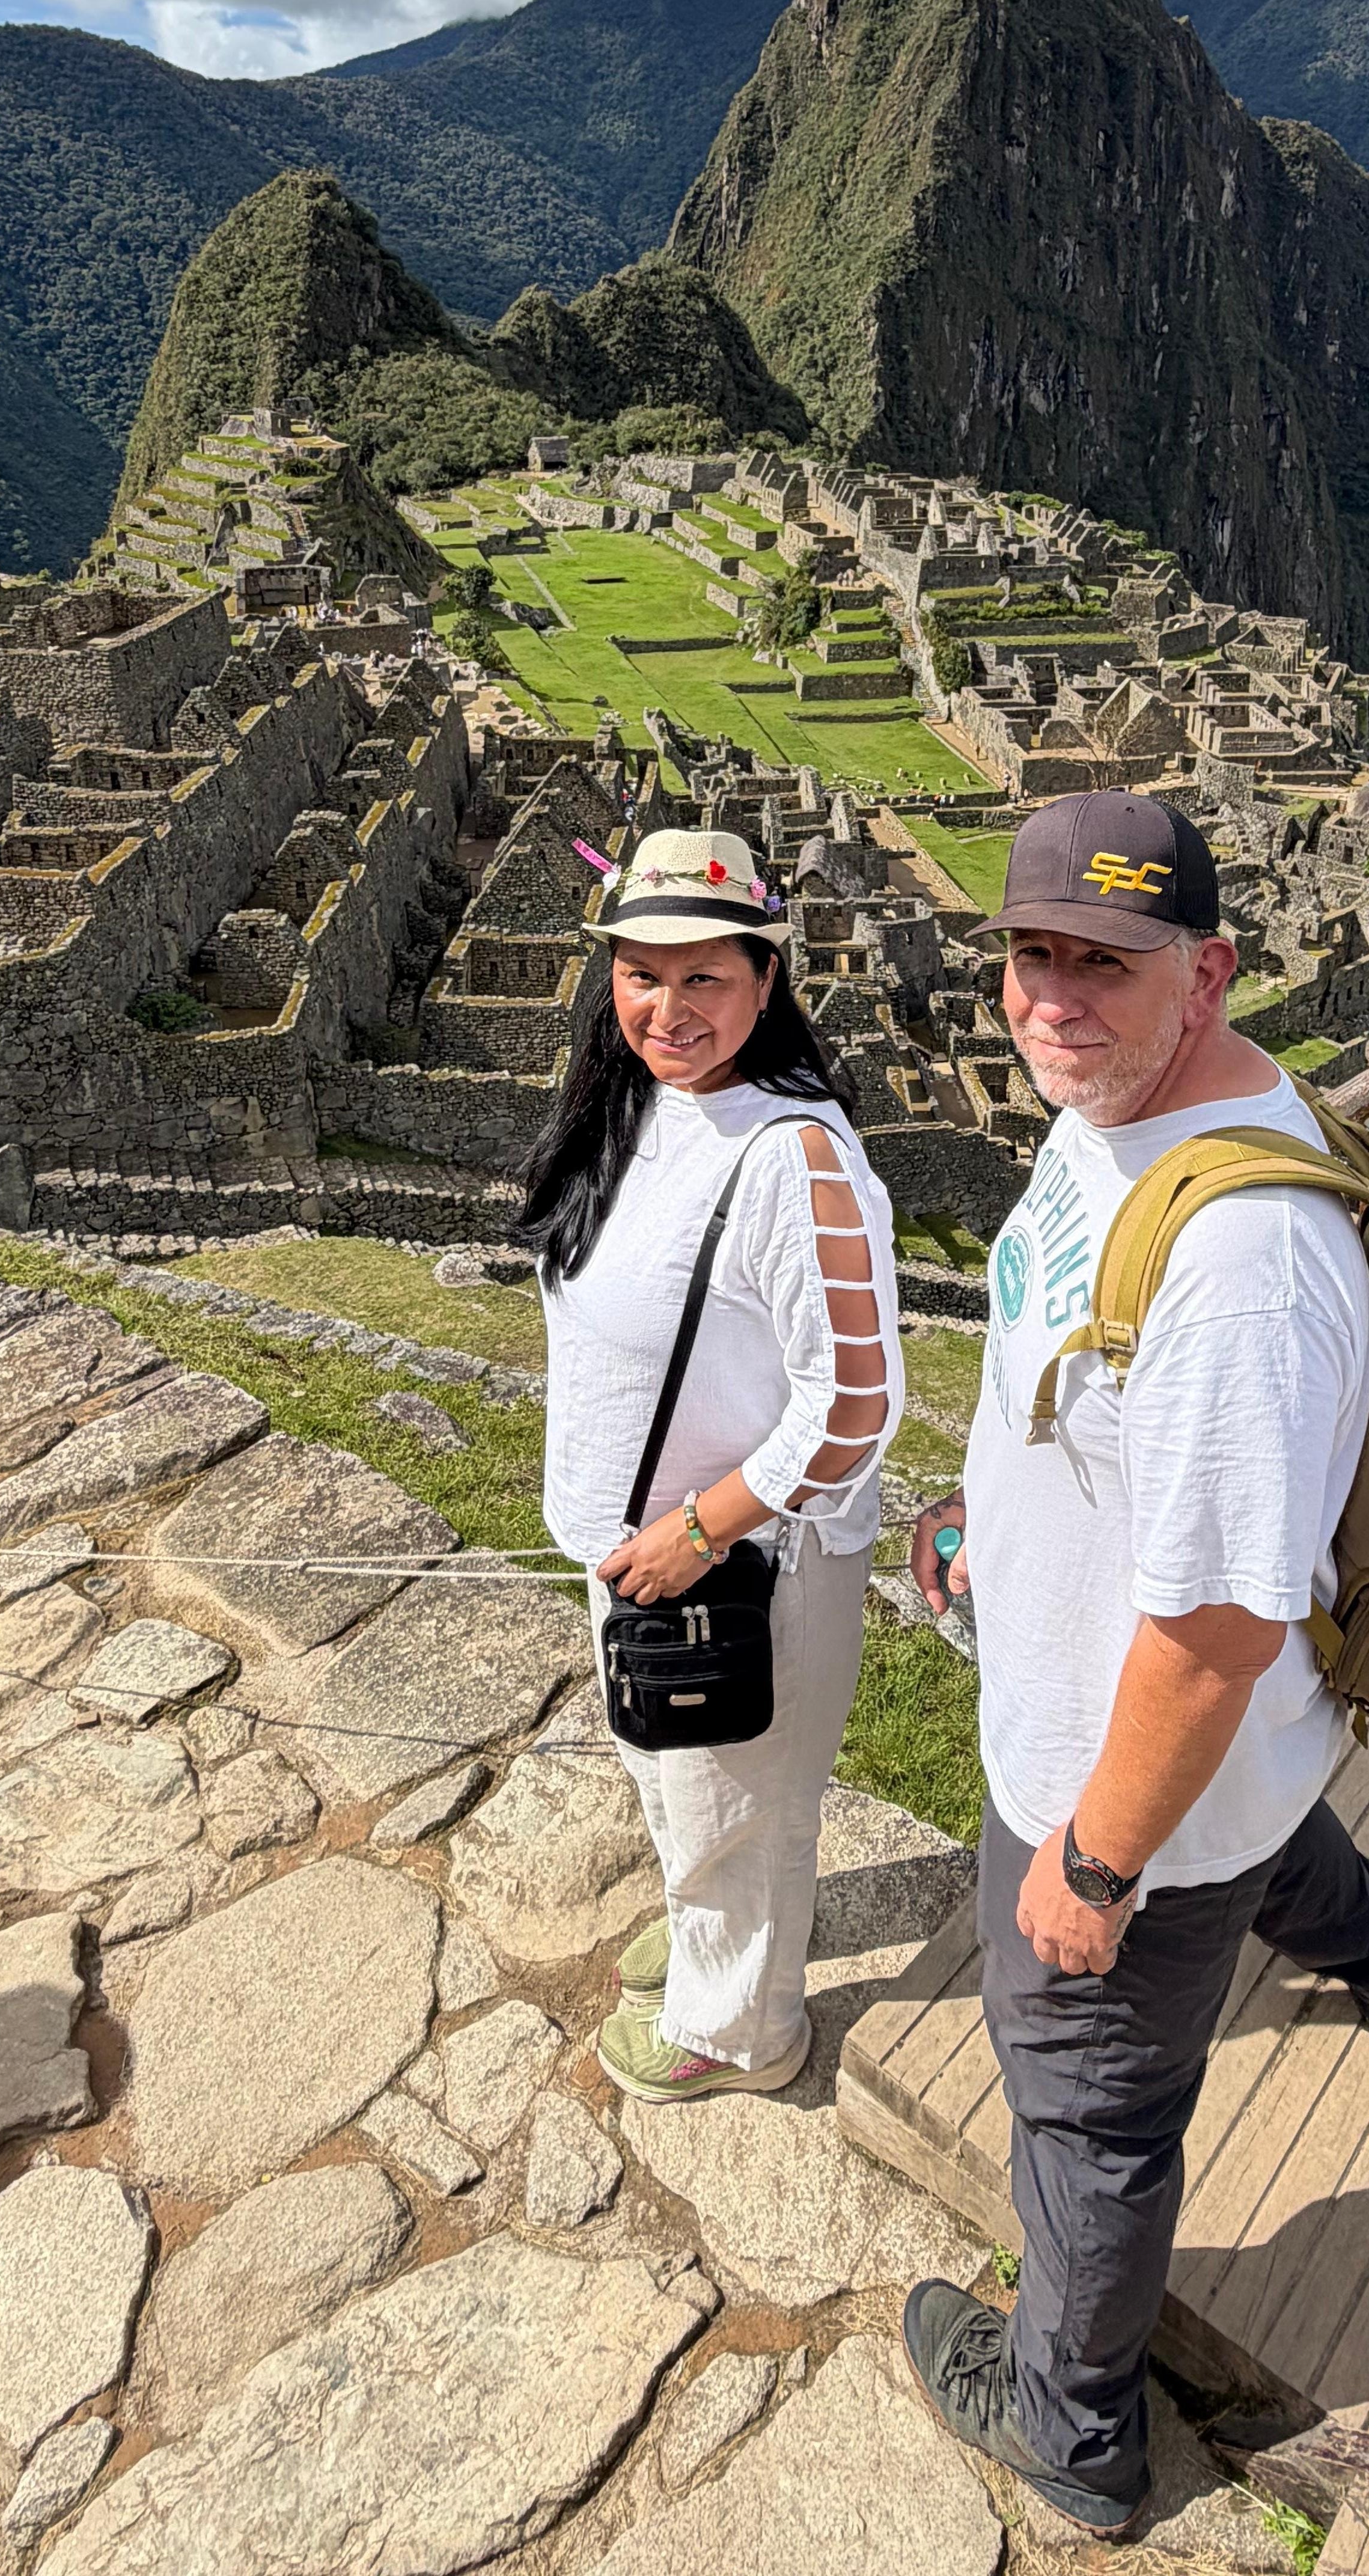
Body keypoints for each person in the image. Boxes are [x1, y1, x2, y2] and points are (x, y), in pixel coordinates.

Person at [900, 789, 1369, 2540]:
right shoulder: (1137, 1111)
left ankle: (1069, 2426)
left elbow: (1211, 1639)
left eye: (1104, 966)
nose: (1054, 997)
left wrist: (1091, 1863)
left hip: (1121, 1783)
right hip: (1239, 1771)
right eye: (1031, 955)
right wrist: (997, 1533)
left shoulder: (1243, 1269)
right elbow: (1088, 1390)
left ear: (1200, 972)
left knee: (1087, 2114)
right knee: (1276, 1841)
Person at [514, 823, 903, 2102]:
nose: (666, 1008)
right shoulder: (636, 1108)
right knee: (671, 1772)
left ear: (764, 981)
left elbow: (855, 1399)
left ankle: (739, 2028)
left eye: (704, 979)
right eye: (641, 974)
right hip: (632, 1548)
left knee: (737, 1805)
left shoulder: (793, 1158)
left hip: (738, 1565)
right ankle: (704, 1928)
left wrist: (702, 1530)